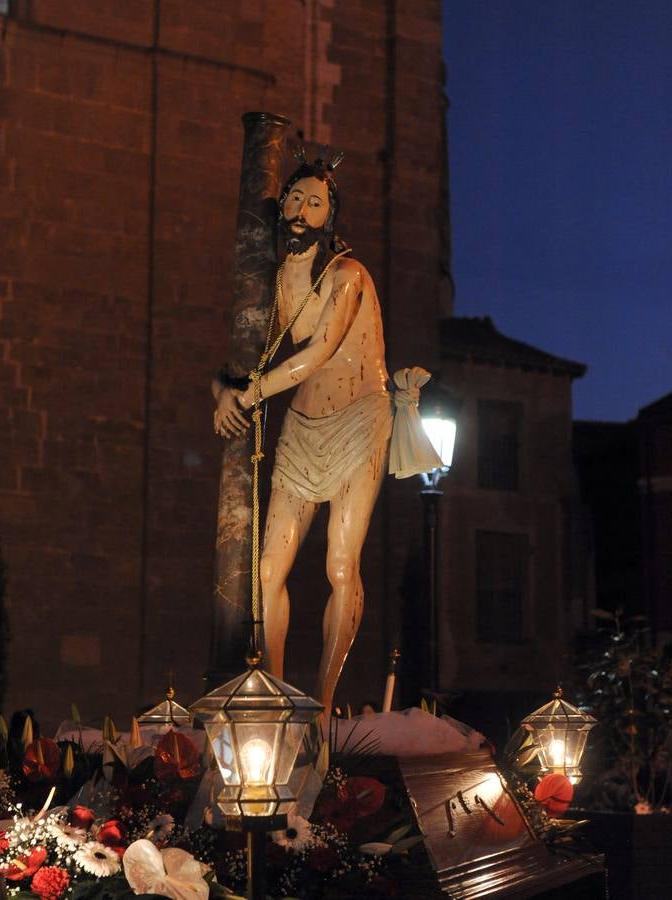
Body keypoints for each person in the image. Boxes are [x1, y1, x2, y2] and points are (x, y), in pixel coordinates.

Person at [213, 151, 435, 720]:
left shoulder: (348, 275)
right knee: (267, 570)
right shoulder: (272, 278)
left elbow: (318, 352)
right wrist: (224, 391)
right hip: (302, 426)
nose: (300, 210)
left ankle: (327, 697)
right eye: (293, 198)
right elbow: (245, 357)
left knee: (340, 564)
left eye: (314, 202)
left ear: (330, 215)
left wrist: (251, 393)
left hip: (360, 421)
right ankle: (276, 694)